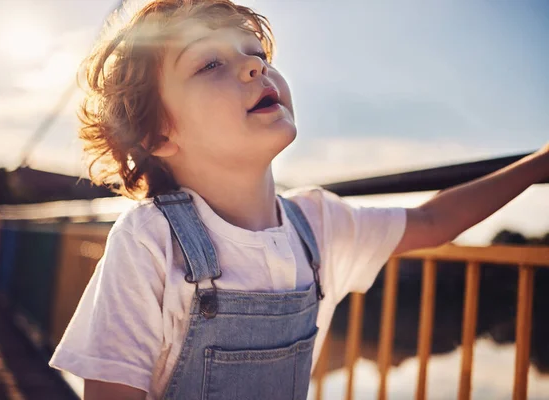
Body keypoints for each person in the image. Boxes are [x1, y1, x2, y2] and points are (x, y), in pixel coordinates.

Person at [48, 1, 549, 399]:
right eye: (211, 63)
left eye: (257, 53)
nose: (252, 66)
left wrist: (537, 165)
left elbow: (435, 218)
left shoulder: (319, 225)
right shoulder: (150, 241)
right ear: (159, 136)